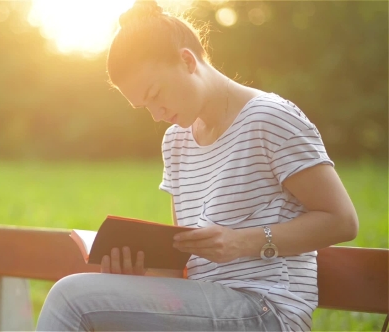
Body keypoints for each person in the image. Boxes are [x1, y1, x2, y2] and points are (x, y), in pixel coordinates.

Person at [35, 1, 359, 331]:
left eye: (155, 94)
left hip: (266, 310)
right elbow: (181, 265)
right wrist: (138, 276)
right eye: (144, 106)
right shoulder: (176, 142)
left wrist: (239, 242)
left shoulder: (270, 119)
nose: (156, 114)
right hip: (204, 305)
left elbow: (342, 221)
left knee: (71, 297)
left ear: (187, 61)